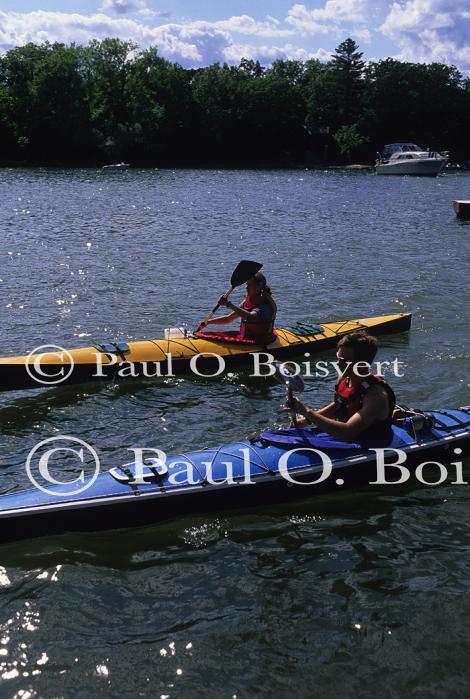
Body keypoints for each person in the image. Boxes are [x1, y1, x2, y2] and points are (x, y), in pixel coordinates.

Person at [285, 331, 396, 444]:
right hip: (344, 437)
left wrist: (306, 411)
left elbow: (347, 433)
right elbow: (338, 405)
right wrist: (305, 420)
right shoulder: (344, 378)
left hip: (368, 445)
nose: (337, 364)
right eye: (338, 358)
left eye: (343, 361)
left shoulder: (375, 396)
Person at [198, 272, 277, 343]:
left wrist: (229, 304)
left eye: (250, 285)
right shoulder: (247, 301)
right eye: (246, 284)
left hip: (259, 342)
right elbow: (229, 318)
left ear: (259, 285)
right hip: (245, 339)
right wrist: (208, 322)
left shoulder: (265, 305)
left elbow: (250, 317)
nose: (246, 288)